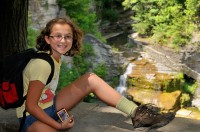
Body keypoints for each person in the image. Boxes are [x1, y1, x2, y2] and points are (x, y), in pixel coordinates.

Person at [16, 17, 175, 132]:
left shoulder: (55, 58)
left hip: (50, 106)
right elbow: (31, 106)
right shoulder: (42, 64)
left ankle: (138, 115)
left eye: (68, 36)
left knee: (90, 79)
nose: (63, 41)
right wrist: (58, 125)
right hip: (31, 118)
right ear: (47, 39)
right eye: (57, 36)